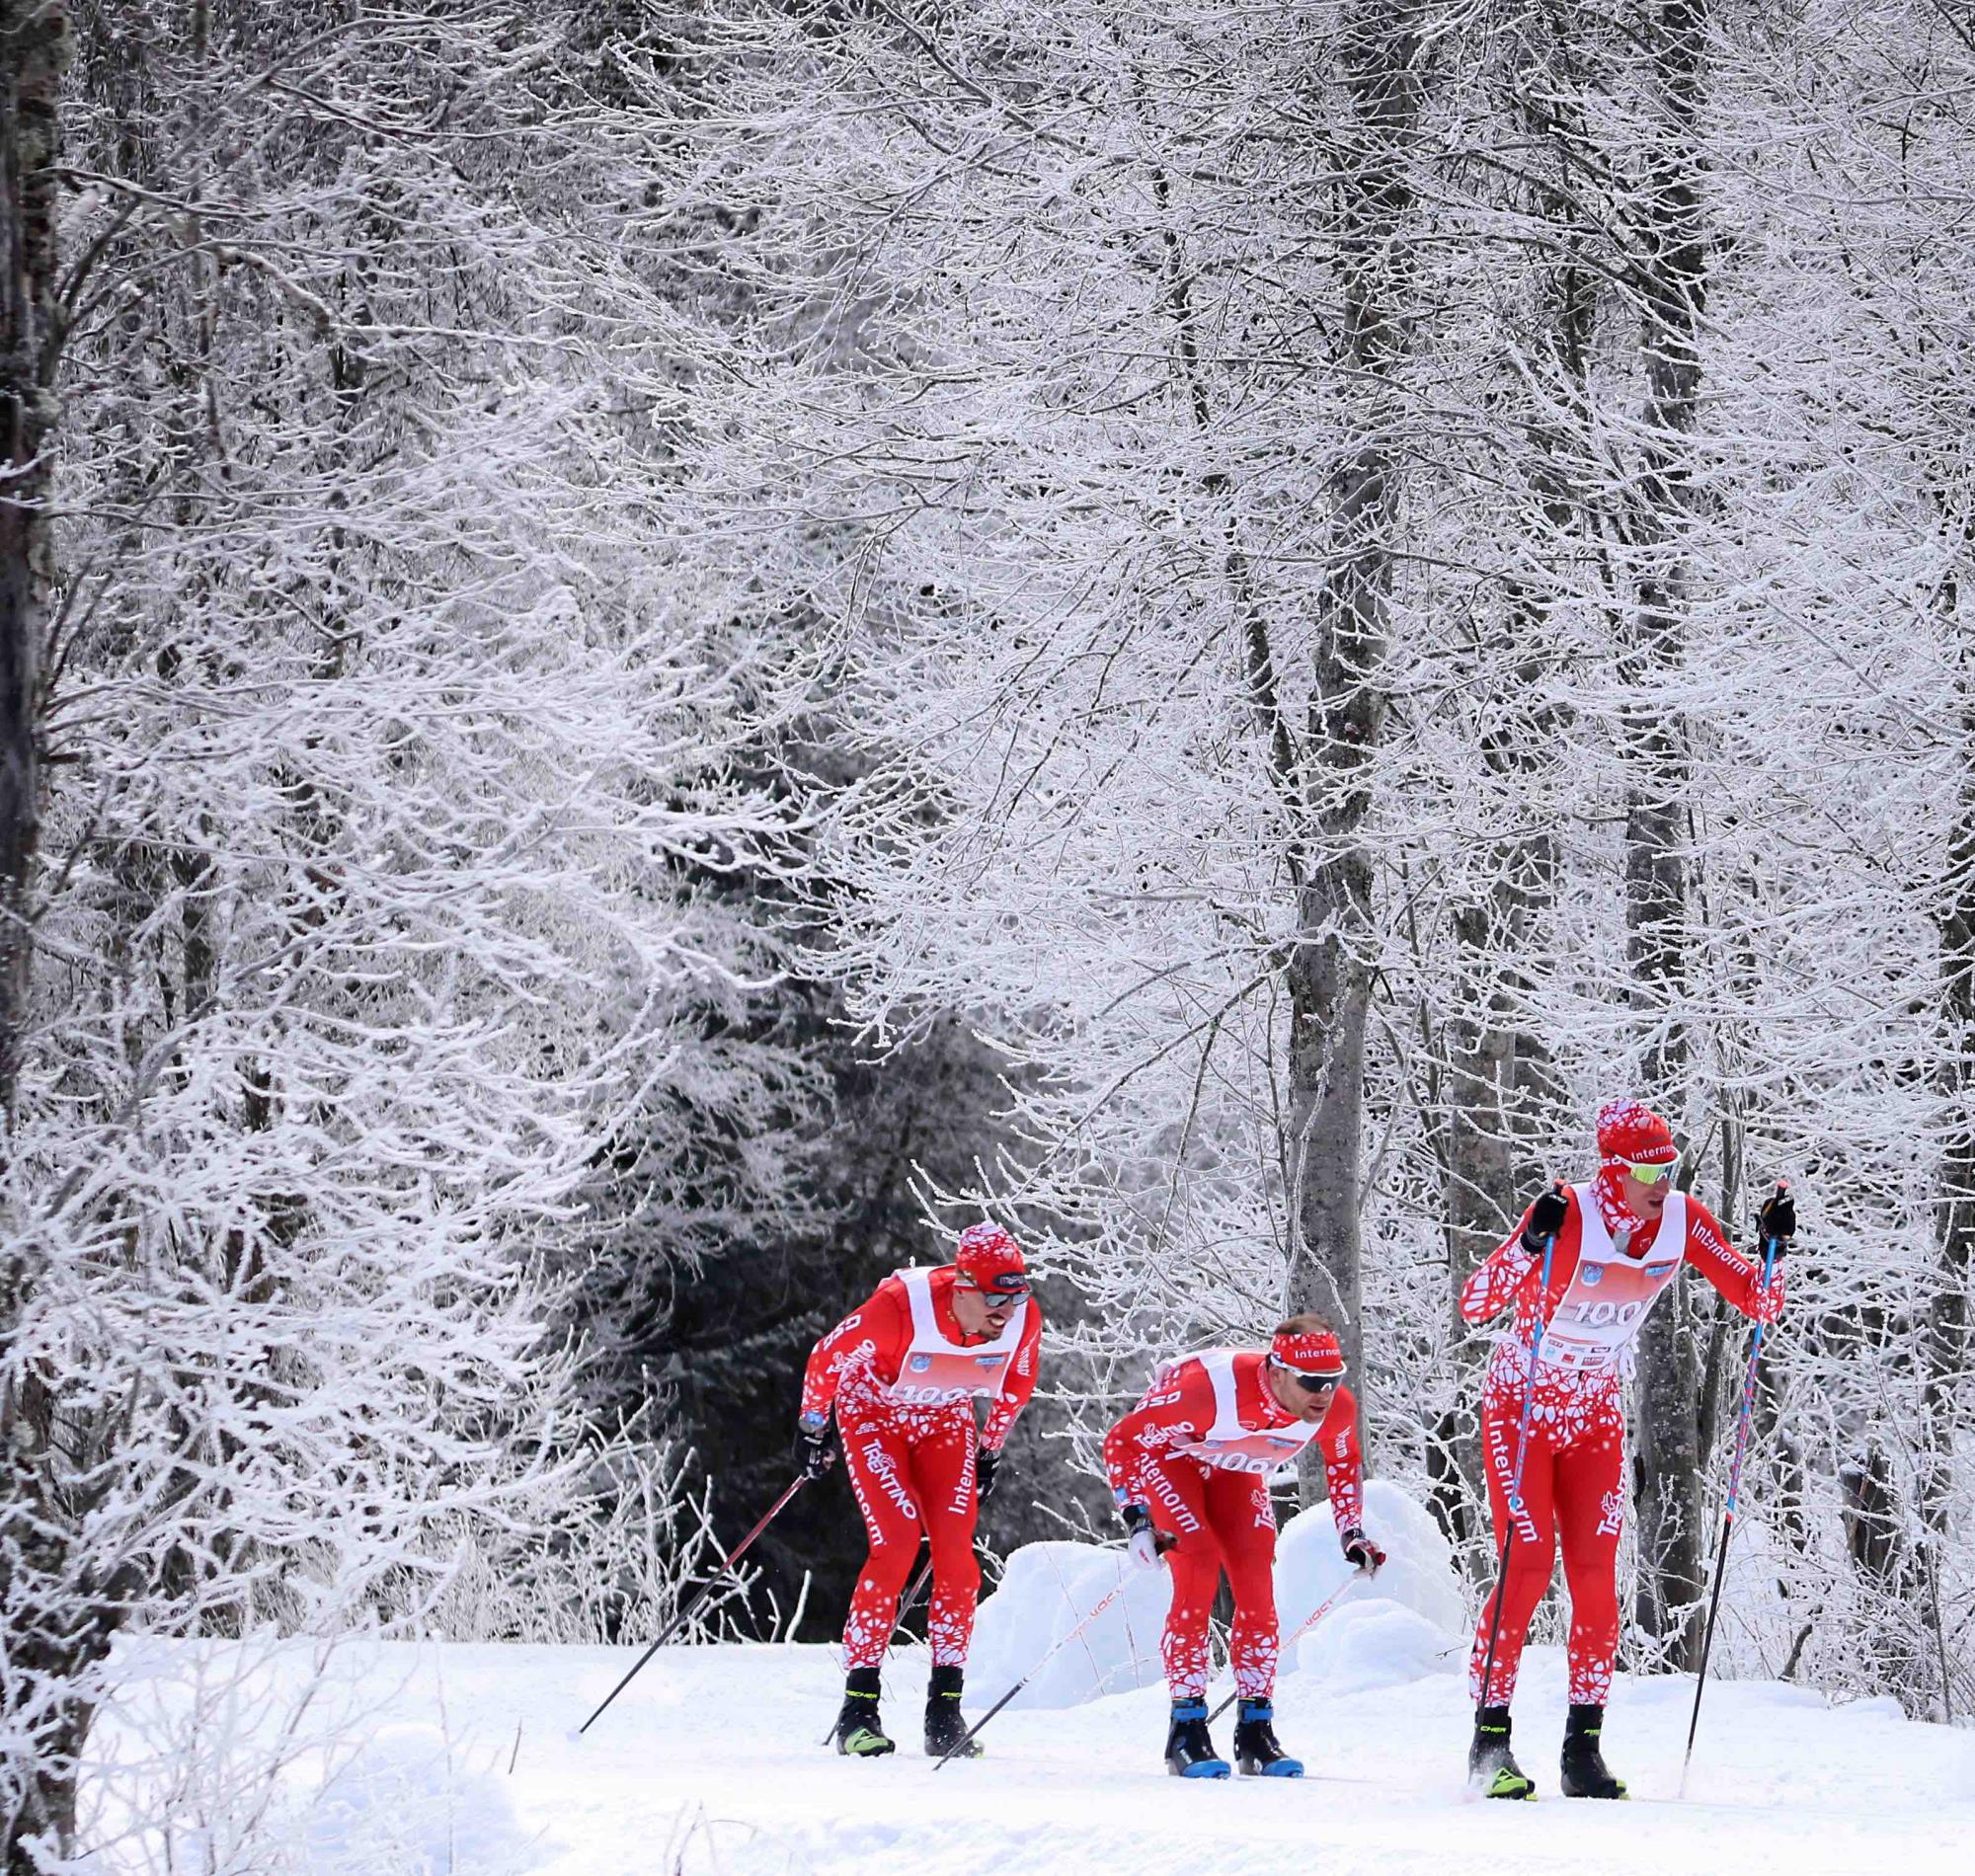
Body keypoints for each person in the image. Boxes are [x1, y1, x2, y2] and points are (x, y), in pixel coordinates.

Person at [1460, 1098, 1793, 1800]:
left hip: (1594, 1412)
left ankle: (1583, 1749)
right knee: (1526, 1565)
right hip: (1524, 1404)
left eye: (1669, 1166)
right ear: (1612, 1171)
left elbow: (1757, 1303)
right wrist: (1526, 1246)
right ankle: (1489, 1744)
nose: (1661, 1181)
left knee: (1595, 1580)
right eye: (1646, 1168)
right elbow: (1477, 1302)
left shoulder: (1681, 1219)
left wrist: (1775, 1251)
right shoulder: (1568, 1213)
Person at [797, 1222, 1041, 1759]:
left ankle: (944, 1713)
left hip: (945, 1419)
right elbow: (825, 1358)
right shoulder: (899, 1309)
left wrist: (989, 1447)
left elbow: (1017, 1384)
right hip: (873, 1412)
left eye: (1016, 1294)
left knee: (958, 1562)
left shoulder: (1021, 1318)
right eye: (994, 1297)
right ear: (961, 1286)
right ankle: (858, 1710)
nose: (1006, 1310)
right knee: (897, 1546)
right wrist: (813, 1429)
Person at [1103, 1314, 1383, 1779]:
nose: (1323, 1393)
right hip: (1172, 1457)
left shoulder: (1333, 1408)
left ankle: (1256, 1731)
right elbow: (1122, 1442)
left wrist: (1352, 1533)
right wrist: (1136, 1519)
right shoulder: (1206, 1393)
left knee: (1256, 1581)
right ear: (1276, 1373)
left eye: (1333, 1380)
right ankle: (1186, 1729)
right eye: (1311, 1381)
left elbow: (1345, 1463)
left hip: (1237, 1465)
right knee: (1199, 1561)